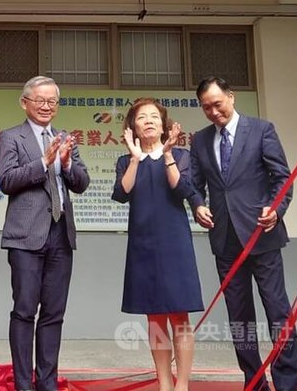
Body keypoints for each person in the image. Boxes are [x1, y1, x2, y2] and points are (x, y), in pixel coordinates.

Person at [190, 77, 297, 391]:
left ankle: (287, 384)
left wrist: (276, 210)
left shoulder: (261, 130)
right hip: (225, 240)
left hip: (262, 237)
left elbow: (282, 178)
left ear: (231, 97)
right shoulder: (200, 140)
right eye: (206, 108)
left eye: (217, 104)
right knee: (240, 319)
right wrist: (197, 205)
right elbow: (195, 186)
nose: (213, 112)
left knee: (278, 313)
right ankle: (254, 382)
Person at [0, 75, 90, 391]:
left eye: (52, 101)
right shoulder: (11, 137)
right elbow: (7, 180)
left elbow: (82, 183)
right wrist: (43, 161)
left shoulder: (65, 138)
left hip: (61, 235)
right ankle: (24, 383)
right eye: (40, 100)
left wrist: (66, 163)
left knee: (54, 313)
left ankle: (46, 382)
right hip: (25, 237)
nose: (47, 106)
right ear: (25, 103)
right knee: (24, 311)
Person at [112, 98, 203, 391]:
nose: (149, 121)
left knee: (180, 315)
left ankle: (182, 384)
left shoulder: (181, 155)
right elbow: (122, 193)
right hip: (142, 245)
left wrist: (167, 155)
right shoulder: (126, 161)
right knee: (154, 317)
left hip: (175, 243)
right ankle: (164, 382)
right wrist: (135, 158)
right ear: (132, 127)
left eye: (154, 116)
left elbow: (182, 190)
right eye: (142, 117)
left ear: (164, 125)